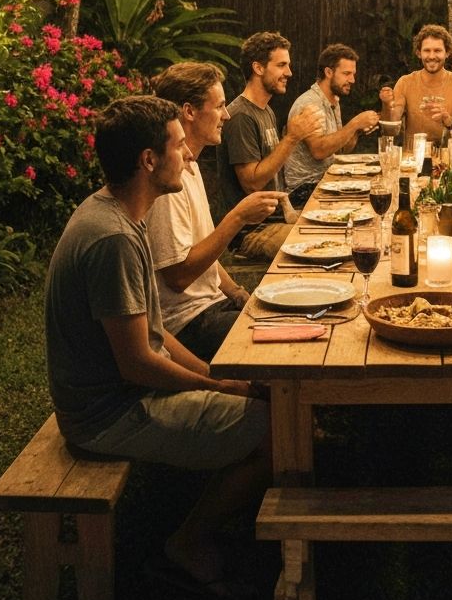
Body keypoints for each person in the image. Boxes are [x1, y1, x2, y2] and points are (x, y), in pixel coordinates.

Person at [44, 96, 270, 594]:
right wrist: (223, 385)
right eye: (178, 146)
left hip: (116, 395)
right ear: (149, 160)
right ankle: (187, 543)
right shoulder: (113, 239)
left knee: (259, 395)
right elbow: (138, 364)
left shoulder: (120, 214)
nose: (189, 157)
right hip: (107, 414)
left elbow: (155, 332)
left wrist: (220, 381)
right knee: (275, 431)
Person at [147, 62, 286, 361]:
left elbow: (203, 250)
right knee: (283, 344)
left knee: (292, 318)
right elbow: (178, 276)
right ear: (189, 111)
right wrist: (237, 218)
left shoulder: (192, 167)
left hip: (213, 306)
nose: (227, 115)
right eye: (220, 106)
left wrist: (236, 291)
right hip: (188, 324)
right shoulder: (169, 183)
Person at [217, 31, 321, 260]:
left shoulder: (266, 112)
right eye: (282, 65)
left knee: (334, 229)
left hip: (276, 220)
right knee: (319, 245)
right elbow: (252, 184)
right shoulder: (241, 117)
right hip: (251, 233)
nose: (289, 73)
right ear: (258, 68)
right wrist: (292, 138)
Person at [283, 43, 380, 206]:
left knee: (377, 188)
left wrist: (356, 131)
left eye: (353, 74)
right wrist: (354, 123)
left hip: (326, 181)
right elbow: (319, 151)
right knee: (368, 201)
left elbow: (340, 149)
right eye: (347, 74)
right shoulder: (309, 104)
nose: (352, 80)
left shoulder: (333, 100)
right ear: (328, 72)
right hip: (303, 191)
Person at [379, 23, 452, 143]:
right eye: (427, 50)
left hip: (448, 158)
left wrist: (448, 121)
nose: (431, 56)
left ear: (447, 53)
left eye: (437, 51)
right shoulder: (405, 83)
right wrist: (387, 105)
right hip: (413, 158)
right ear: (419, 53)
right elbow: (390, 131)